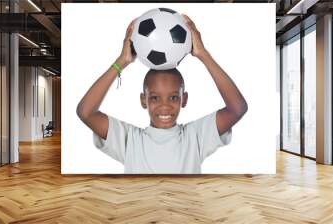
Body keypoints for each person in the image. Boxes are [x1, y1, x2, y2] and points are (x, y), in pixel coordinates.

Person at [76, 15, 248, 174]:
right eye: (154, 98)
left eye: (173, 97)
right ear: (143, 100)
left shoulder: (196, 137)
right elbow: (86, 112)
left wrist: (203, 54)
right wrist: (122, 61)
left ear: (184, 99)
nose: (164, 106)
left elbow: (237, 108)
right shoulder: (130, 141)